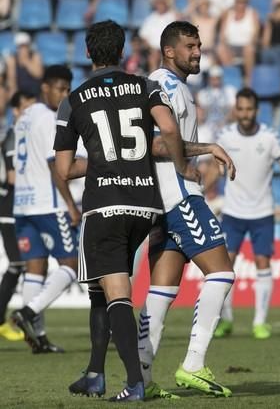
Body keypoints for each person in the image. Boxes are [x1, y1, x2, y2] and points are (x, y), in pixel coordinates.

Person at [53, 20, 191, 402]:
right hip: (145, 204)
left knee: (115, 293)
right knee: (102, 288)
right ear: (122, 51)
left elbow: (63, 170)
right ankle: (95, 373)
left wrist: (99, 163)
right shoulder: (148, 87)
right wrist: (181, 165)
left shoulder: (74, 99)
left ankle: (135, 383)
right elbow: (169, 128)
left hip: (106, 205)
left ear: (87, 52)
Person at [137, 21, 237, 399]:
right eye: (190, 46)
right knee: (222, 274)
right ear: (169, 51)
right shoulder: (163, 86)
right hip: (178, 196)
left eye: (199, 45)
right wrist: (205, 148)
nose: (198, 52)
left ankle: (141, 378)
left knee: (161, 291)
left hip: (162, 200)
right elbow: (155, 144)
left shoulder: (173, 86)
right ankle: (194, 362)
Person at [213, 88, 280, 340]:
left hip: (262, 212)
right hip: (232, 212)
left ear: (256, 110)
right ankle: (225, 320)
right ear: (235, 110)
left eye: (249, 109)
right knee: (224, 266)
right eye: (241, 109)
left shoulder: (270, 137)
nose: (245, 114)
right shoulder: (225, 136)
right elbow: (214, 166)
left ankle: (260, 322)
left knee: (263, 263)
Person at [10, 65, 81, 354]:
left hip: (23, 204)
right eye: (60, 89)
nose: (64, 95)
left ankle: (38, 338)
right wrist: (70, 205)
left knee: (35, 270)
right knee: (71, 264)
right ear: (45, 88)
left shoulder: (25, 117)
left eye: (68, 90)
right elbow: (57, 167)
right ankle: (28, 312)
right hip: (48, 204)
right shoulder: (50, 119)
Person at [0, 92, 34, 342]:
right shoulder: (14, 135)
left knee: (21, 264)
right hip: (10, 208)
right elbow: (12, 176)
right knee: (18, 264)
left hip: (21, 207)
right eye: (25, 108)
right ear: (15, 111)